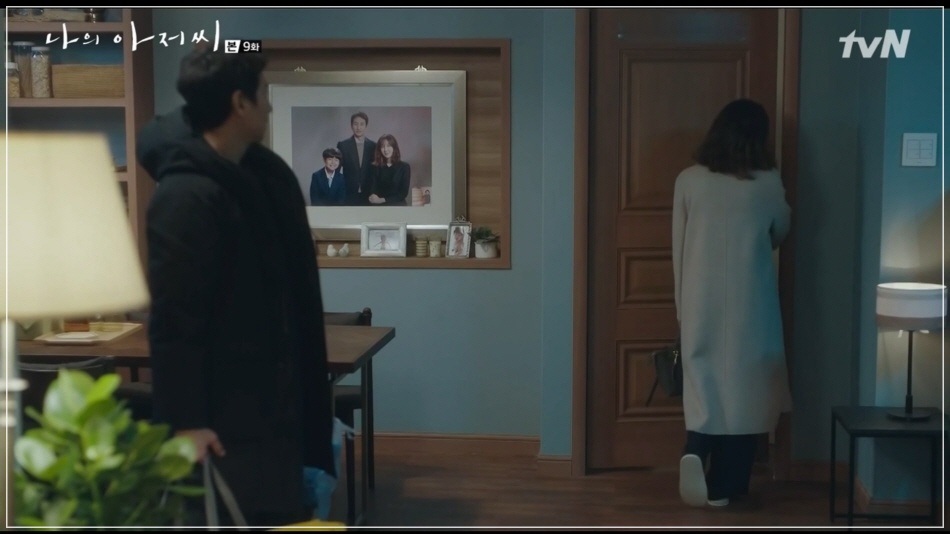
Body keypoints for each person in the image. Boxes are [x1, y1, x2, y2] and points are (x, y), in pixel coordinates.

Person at [137, 47, 336, 527]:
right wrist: (186, 423)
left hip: (272, 407)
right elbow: (174, 320)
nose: (270, 104)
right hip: (225, 422)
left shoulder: (259, 174)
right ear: (240, 103)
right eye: (264, 93)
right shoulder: (185, 196)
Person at [671, 98, 792, 508]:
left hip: (699, 300)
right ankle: (724, 485)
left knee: (703, 386)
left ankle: (695, 447)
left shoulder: (688, 180)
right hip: (750, 304)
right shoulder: (768, 182)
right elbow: (780, 231)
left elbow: (678, 247)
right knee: (746, 395)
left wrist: (681, 309)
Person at [336, 111, 376, 206]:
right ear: (351, 126)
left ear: (366, 126)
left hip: (368, 193)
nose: (358, 127)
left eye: (362, 124)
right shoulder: (343, 145)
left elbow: (376, 171)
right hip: (348, 193)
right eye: (356, 124)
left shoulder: (373, 146)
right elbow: (336, 171)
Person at [367, 133, 410, 206]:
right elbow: (372, 189)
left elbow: (403, 193)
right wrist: (373, 197)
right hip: (379, 205)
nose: (385, 149)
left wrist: (382, 200)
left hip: (397, 204)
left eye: (388, 146)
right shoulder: (375, 167)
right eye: (382, 147)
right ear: (379, 149)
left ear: (394, 148)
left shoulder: (404, 167)